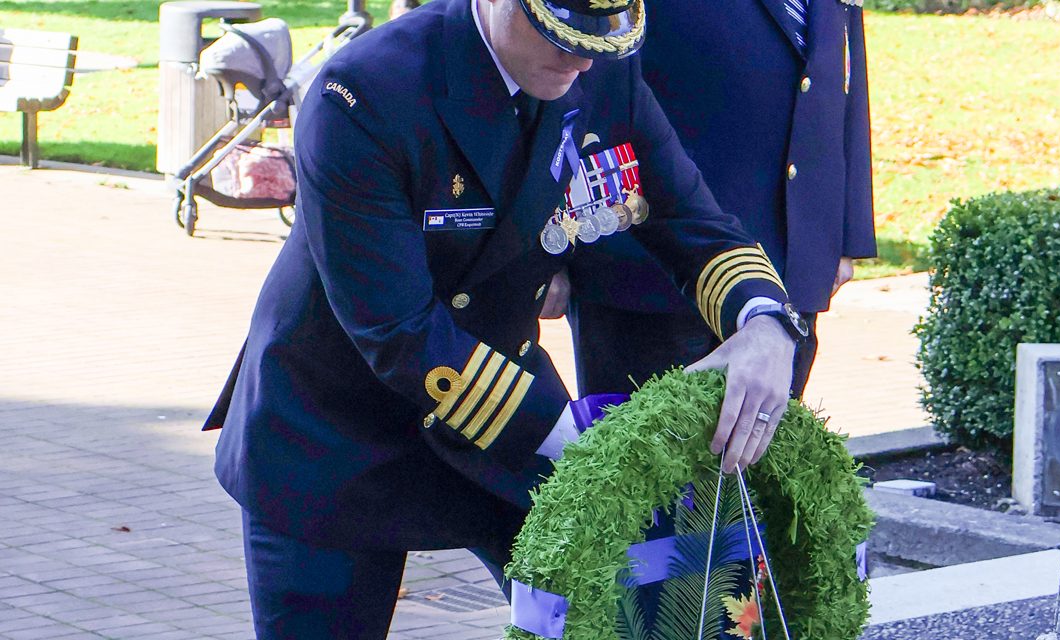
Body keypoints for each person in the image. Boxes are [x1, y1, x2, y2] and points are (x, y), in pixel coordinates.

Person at [201, 0, 809, 636]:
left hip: (499, 391)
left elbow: (691, 221)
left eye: (599, 37)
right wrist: (593, 451)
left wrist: (766, 323)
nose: (579, 56)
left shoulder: (601, 70)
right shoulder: (361, 91)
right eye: (556, 32)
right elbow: (397, 332)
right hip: (334, 424)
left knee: (614, 613)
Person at [565, 0, 877, 399]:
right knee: (642, 452)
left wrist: (842, 233)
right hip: (651, 266)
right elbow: (585, 67)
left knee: (767, 451)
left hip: (790, 258)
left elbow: (843, 72)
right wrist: (563, 236)